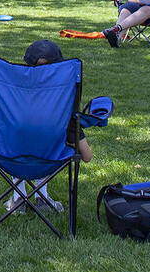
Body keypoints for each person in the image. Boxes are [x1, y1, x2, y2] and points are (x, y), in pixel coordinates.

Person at [6, 40, 94, 215]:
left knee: (19, 140)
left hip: (10, 159)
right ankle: (42, 197)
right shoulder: (65, 111)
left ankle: (18, 198)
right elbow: (87, 156)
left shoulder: (10, 105)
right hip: (48, 161)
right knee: (45, 145)